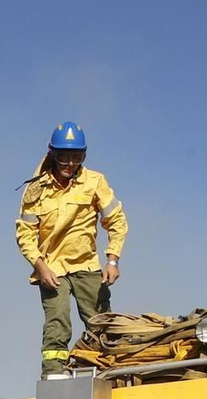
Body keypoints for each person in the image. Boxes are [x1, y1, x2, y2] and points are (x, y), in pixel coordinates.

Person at [15, 120, 129, 378]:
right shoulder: (36, 190)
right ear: (52, 154)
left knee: (101, 323)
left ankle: (110, 373)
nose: (69, 163)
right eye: (63, 157)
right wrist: (40, 267)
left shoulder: (95, 182)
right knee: (57, 323)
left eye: (76, 157)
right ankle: (54, 376)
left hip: (87, 265)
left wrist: (113, 260)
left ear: (84, 156)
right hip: (52, 269)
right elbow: (25, 233)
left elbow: (117, 221)